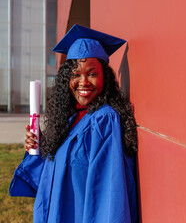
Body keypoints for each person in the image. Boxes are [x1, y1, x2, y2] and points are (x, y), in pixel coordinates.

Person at [9, 24, 138, 223]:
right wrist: (41, 147)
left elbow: (107, 195)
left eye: (92, 74)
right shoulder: (71, 119)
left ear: (105, 77)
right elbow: (56, 176)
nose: (83, 82)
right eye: (76, 74)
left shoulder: (104, 121)